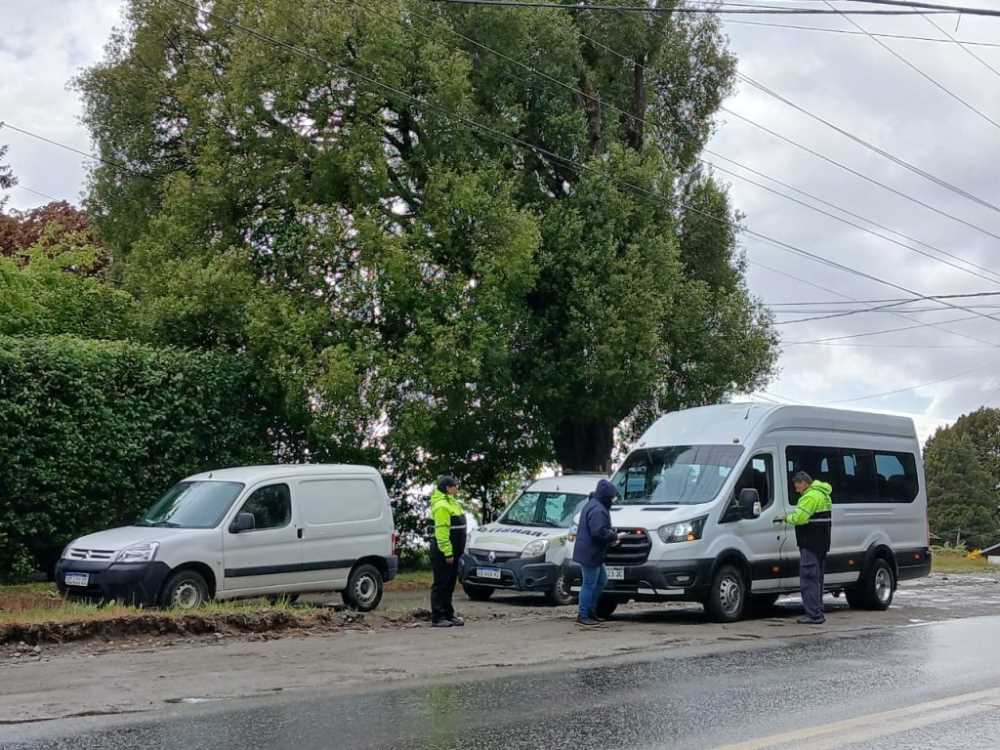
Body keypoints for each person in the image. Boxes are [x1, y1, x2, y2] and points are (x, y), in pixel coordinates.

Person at [572, 479, 625, 627]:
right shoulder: (598, 509)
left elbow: (597, 531)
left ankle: (590, 611)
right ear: (606, 496)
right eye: (613, 496)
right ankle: (584, 614)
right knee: (589, 584)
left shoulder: (593, 504)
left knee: (601, 581)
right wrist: (615, 536)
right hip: (591, 553)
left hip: (590, 552)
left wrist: (610, 537)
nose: (614, 499)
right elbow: (598, 532)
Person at [785, 471, 833, 625]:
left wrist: (786, 518)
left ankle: (813, 615)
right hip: (822, 543)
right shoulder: (824, 495)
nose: (796, 488)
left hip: (810, 543)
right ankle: (818, 611)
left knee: (808, 580)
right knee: (817, 579)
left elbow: (800, 517)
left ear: (805, 483)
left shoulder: (810, 497)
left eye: (797, 484)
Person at [429, 474, 467, 628]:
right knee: (442, 583)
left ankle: (448, 614)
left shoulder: (452, 502)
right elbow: (442, 533)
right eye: (455, 486)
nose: (457, 488)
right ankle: (438, 616)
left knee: (450, 583)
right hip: (444, 552)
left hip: (455, 551)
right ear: (447, 488)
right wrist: (448, 553)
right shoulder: (441, 506)